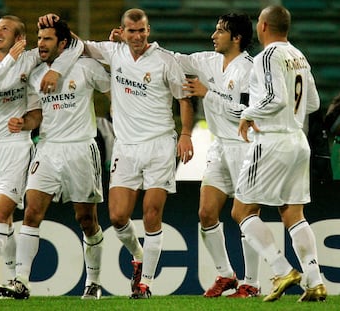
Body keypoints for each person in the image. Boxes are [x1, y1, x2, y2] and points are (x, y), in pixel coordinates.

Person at [40, 8, 194, 299]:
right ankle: (138, 257)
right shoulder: (113, 52)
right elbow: (77, 43)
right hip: (126, 146)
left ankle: (145, 284)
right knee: (118, 216)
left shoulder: (165, 60)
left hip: (160, 144)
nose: (137, 37)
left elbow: (184, 98)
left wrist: (185, 135)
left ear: (148, 31)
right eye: (131, 31)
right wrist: (57, 24)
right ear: (122, 31)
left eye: (142, 31)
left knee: (151, 213)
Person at [0, 15, 83, 299]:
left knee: (2, 215)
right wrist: (9, 62)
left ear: (19, 38)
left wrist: (28, 121)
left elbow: (74, 46)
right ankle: (16, 281)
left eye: (5, 28)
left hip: (16, 146)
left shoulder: (30, 59)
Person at [0, 19, 110, 300]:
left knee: (86, 220)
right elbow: (37, 114)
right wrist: (23, 123)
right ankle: (21, 280)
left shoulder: (86, 67)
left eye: (48, 39)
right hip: (47, 148)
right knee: (32, 212)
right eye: (40, 38)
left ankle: (93, 281)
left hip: (81, 149)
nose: (41, 44)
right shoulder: (35, 74)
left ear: (63, 44)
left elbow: (113, 91)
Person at [231, 5, 327, 302]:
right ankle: (315, 281)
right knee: (293, 214)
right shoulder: (298, 55)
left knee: (242, 211)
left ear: (263, 26)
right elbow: (312, 102)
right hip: (297, 141)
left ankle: (281, 268)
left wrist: (248, 113)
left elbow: (276, 98)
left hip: (272, 141)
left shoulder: (268, 57)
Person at [174, 13, 260, 298]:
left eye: (221, 31)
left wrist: (208, 92)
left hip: (245, 146)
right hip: (219, 146)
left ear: (236, 38)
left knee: (247, 215)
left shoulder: (250, 68)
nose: (214, 35)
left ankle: (252, 282)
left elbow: (244, 111)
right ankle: (226, 275)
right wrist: (136, 44)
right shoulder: (205, 61)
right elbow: (172, 58)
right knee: (206, 212)